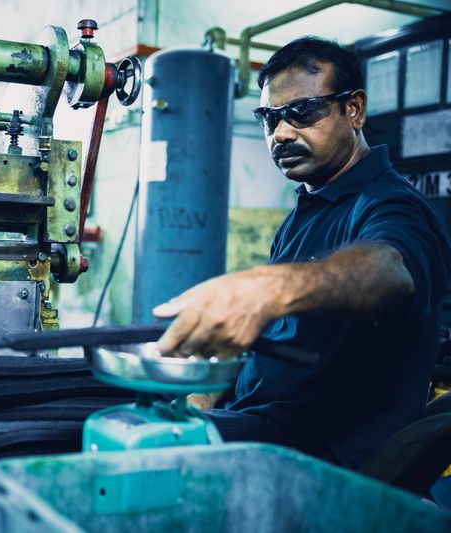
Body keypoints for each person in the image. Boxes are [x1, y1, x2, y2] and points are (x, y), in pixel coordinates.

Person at [152, 36, 451, 469]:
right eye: (269, 118)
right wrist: (204, 394)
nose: (281, 133)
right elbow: (267, 339)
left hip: (310, 452)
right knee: (116, 410)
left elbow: (390, 268)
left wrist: (268, 286)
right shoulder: (306, 211)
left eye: (303, 112)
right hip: (250, 418)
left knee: (132, 445)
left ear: (354, 110)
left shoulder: (393, 206)